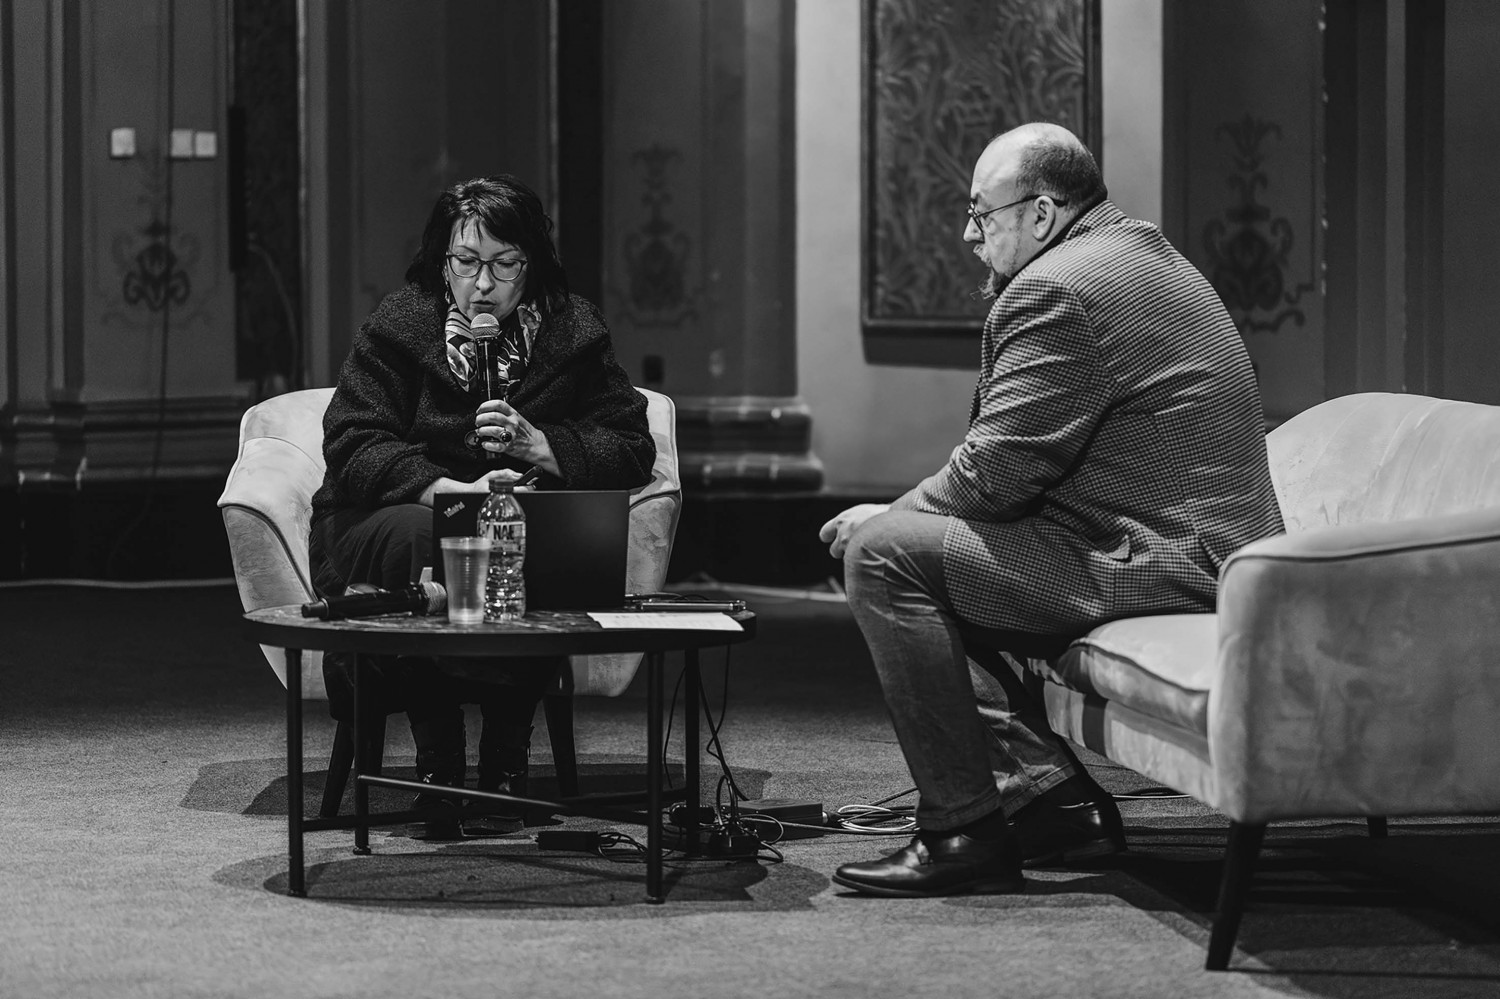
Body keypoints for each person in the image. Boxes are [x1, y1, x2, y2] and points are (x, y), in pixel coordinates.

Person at [819, 123, 1285, 897]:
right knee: (923, 548)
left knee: (886, 554)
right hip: (1188, 546)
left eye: (981, 213)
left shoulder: (1059, 287)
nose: (969, 234)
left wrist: (882, 516)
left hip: (1163, 562)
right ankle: (1049, 801)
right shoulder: (1133, 250)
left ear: (1041, 213)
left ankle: (963, 832)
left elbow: (992, 475)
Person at [309, 175, 655, 838]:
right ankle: (439, 767)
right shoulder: (400, 325)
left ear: (533, 263)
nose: (483, 284)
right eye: (466, 262)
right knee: (437, 537)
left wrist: (542, 445)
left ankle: (504, 762)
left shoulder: (573, 330)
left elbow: (631, 447)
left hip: (510, 527)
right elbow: (351, 442)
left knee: (518, 540)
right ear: (443, 261)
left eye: (504, 264)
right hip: (383, 522)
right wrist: (446, 492)